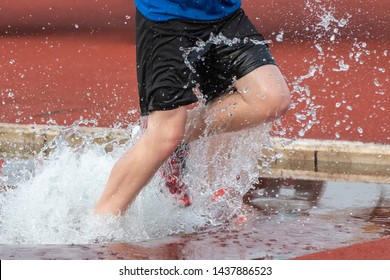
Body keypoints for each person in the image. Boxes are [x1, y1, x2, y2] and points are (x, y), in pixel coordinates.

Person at [95, 0, 291, 215]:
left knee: (272, 100)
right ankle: (100, 223)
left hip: (225, 14)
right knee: (166, 135)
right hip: (167, 19)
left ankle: (172, 140)